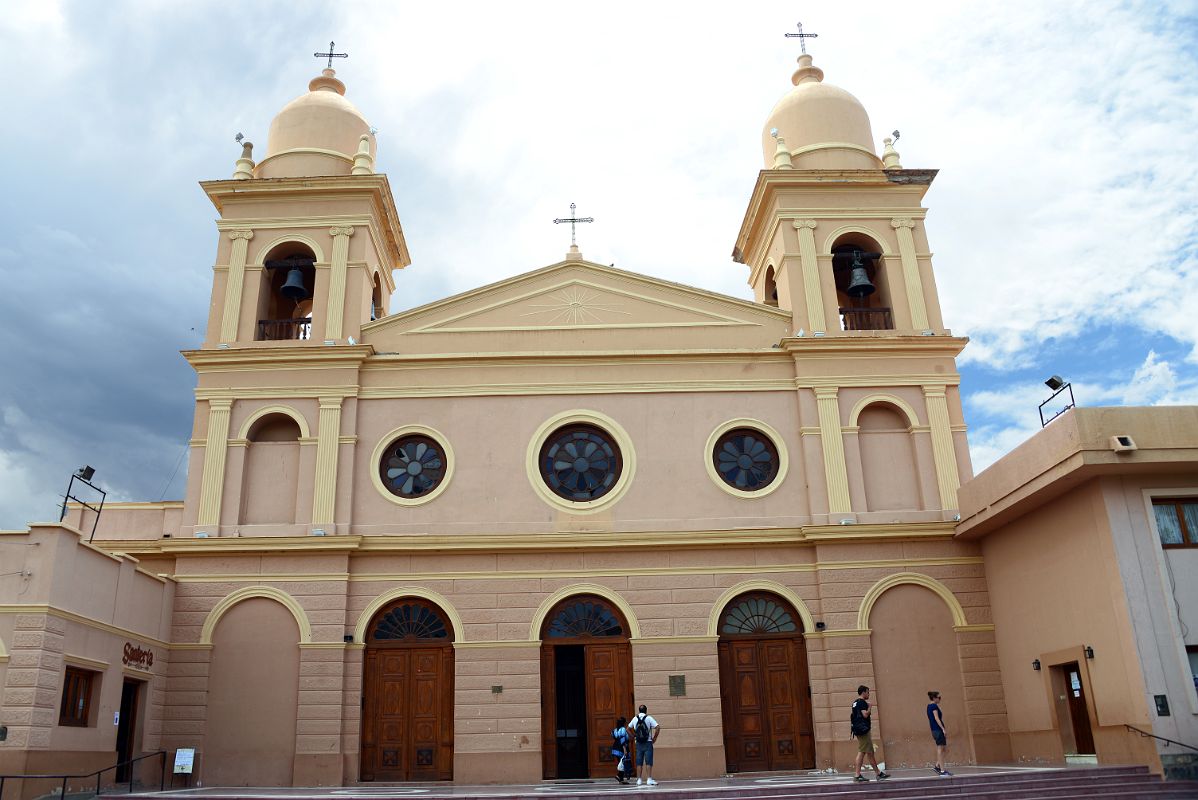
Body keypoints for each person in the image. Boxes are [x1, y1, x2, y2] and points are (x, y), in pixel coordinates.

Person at [850, 685, 890, 782]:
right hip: (863, 730)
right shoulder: (862, 703)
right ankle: (858, 774)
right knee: (864, 752)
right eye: (868, 692)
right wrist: (869, 707)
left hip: (858, 730)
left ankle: (877, 773)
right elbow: (865, 714)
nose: (868, 694)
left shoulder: (855, 703)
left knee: (867, 752)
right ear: (863, 692)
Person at [628, 704, 661, 786]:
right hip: (648, 742)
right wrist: (654, 738)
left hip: (638, 743)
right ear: (646, 710)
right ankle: (649, 779)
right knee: (648, 761)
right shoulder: (649, 718)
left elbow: (628, 729)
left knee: (639, 761)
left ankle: (639, 780)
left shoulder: (635, 718)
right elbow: (658, 727)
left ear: (639, 710)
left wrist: (633, 736)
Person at [927, 691, 952, 776]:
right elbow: (937, 718)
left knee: (945, 749)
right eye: (939, 697)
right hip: (938, 730)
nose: (940, 699)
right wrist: (943, 729)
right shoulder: (933, 706)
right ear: (934, 698)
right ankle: (942, 771)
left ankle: (937, 766)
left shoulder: (930, 706)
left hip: (935, 730)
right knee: (940, 749)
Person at [611, 716, 632, 784]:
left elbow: (614, 737)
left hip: (616, 747)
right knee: (623, 762)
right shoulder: (623, 729)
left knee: (621, 762)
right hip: (621, 747)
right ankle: (619, 776)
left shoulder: (615, 730)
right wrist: (625, 749)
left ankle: (621, 779)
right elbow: (622, 739)